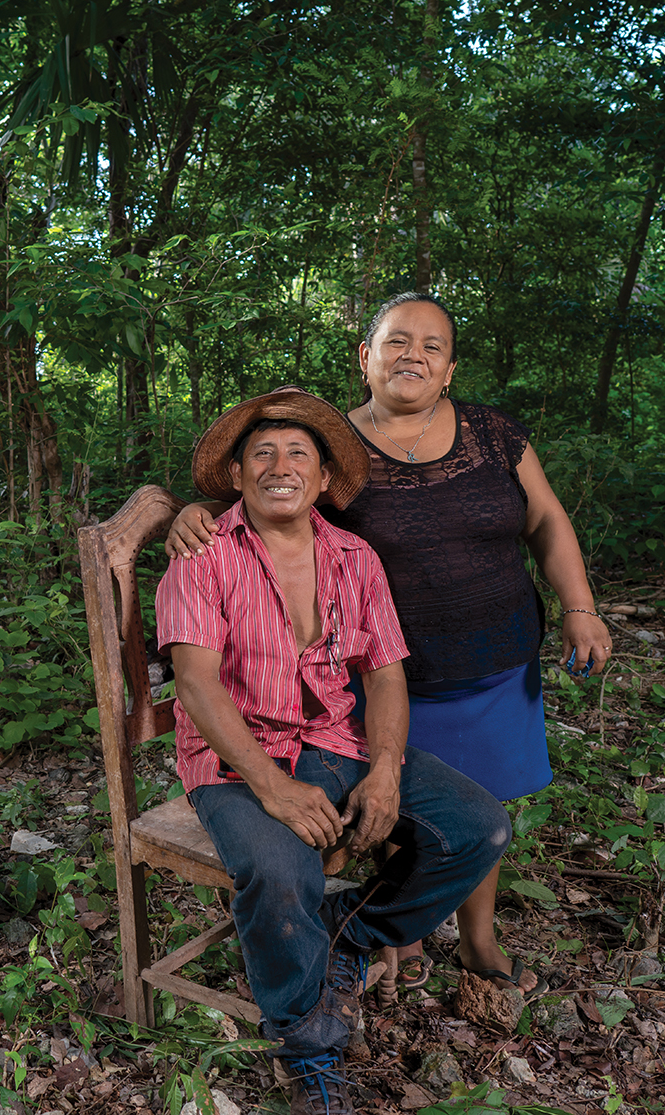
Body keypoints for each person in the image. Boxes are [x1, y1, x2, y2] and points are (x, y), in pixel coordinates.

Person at [166, 293, 613, 1000]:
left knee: (483, 800)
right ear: (364, 357)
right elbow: (262, 503)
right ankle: (387, 939)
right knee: (391, 805)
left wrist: (578, 607)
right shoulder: (331, 450)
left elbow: (547, 519)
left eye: (431, 346)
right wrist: (190, 512)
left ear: (449, 368)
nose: (413, 355)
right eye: (396, 341)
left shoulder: (493, 434)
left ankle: (474, 938)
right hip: (388, 673)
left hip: (496, 657)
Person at [156, 386, 512, 1115]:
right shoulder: (204, 553)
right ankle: (305, 1041)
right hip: (234, 759)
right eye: (261, 454)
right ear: (235, 475)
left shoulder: (355, 557)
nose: (279, 466)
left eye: (297, 455)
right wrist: (269, 786)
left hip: (337, 741)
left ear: (322, 480)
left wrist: (383, 769)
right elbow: (193, 684)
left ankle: (349, 936)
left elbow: (384, 673)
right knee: (279, 871)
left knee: (479, 828)